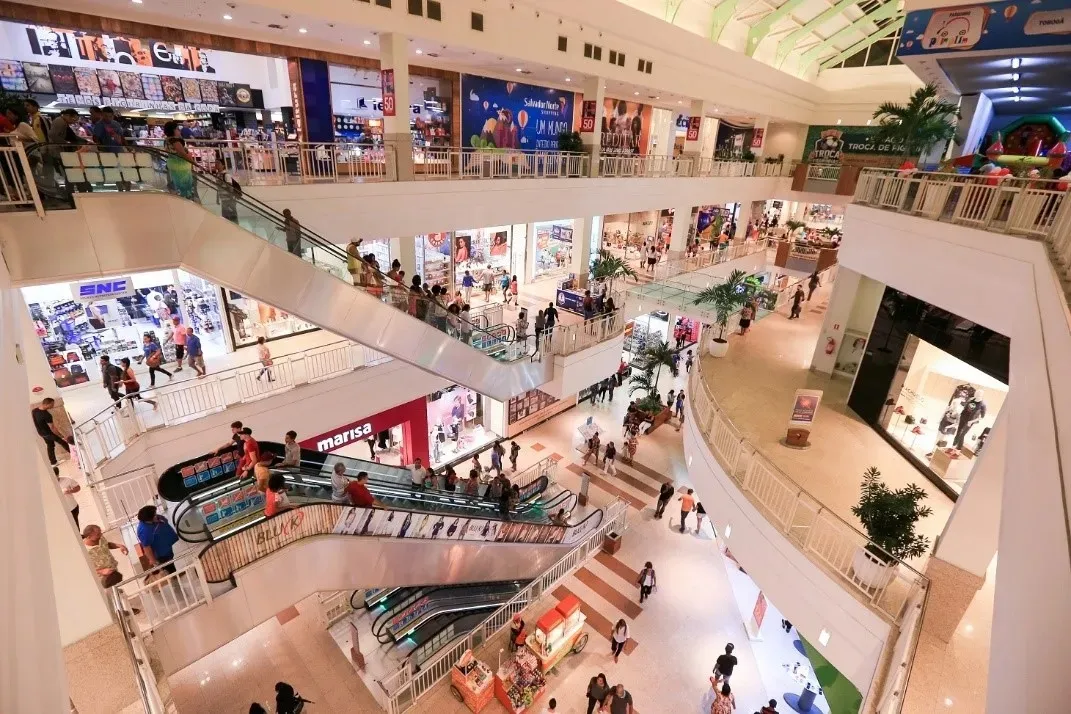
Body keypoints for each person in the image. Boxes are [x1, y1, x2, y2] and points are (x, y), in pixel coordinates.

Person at [136, 505, 179, 575]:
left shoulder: (155, 519)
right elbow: (146, 547)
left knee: (171, 563)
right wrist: (153, 560)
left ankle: (175, 574)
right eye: (154, 514)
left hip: (166, 548)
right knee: (169, 570)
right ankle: (175, 580)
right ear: (149, 519)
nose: (156, 515)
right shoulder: (144, 531)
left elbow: (165, 520)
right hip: (161, 555)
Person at [82, 524, 128, 588]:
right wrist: (101, 571)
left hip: (113, 572)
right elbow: (84, 569)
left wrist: (119, 546)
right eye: (98, 534)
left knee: (119, 592)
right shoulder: (83, 550)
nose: (101, 535)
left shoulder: (100, 538)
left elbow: (106, 544)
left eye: (100, 532)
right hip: (101, 580)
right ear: (88, 537)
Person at [32, 398, 71, 467]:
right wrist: (61, 435)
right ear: (47, 404)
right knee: (63, 442)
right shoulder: (47, 415)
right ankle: (76, 455)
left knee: (50, 446)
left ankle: (53, 462)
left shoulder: (34, 411)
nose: (53, 406)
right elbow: (52, 428)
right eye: (52, 404)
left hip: (41, 433)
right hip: (48, 433)